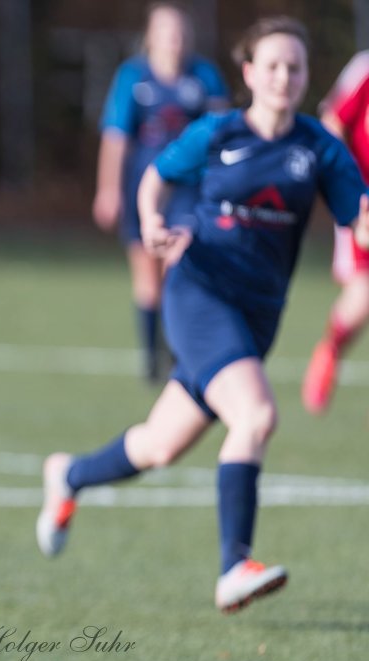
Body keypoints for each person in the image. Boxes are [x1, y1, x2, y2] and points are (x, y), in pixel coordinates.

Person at [38, 17, 369, 614]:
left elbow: (358, 217)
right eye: (271, 65)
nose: (283, 77)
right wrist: (154, 223)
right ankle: (233, 567)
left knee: (159, 447)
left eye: (294, 67)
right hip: (198, 294)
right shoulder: (219, 131)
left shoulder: (319, 147)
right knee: (258, 414)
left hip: (257, 316)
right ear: (248, 72)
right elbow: (158, 178)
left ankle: (69, 475)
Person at [94, 2, 229, 384]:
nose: (175, 38)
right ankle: (151, 359)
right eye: (166, 30)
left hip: (189, 193)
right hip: (143, 190)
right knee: (148, 281)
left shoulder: (204, 77)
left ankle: (177, 356)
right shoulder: (132, 77)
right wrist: (107, 190)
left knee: (178, 272)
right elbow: (115, 138)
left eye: (181, 31)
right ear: (150, 36)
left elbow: (222, 136)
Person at [300, 51, 369, 414]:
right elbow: (332, 124)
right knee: (363, 295)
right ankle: (330, 350)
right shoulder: (364, 69)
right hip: (363, 207)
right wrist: (343, 184)